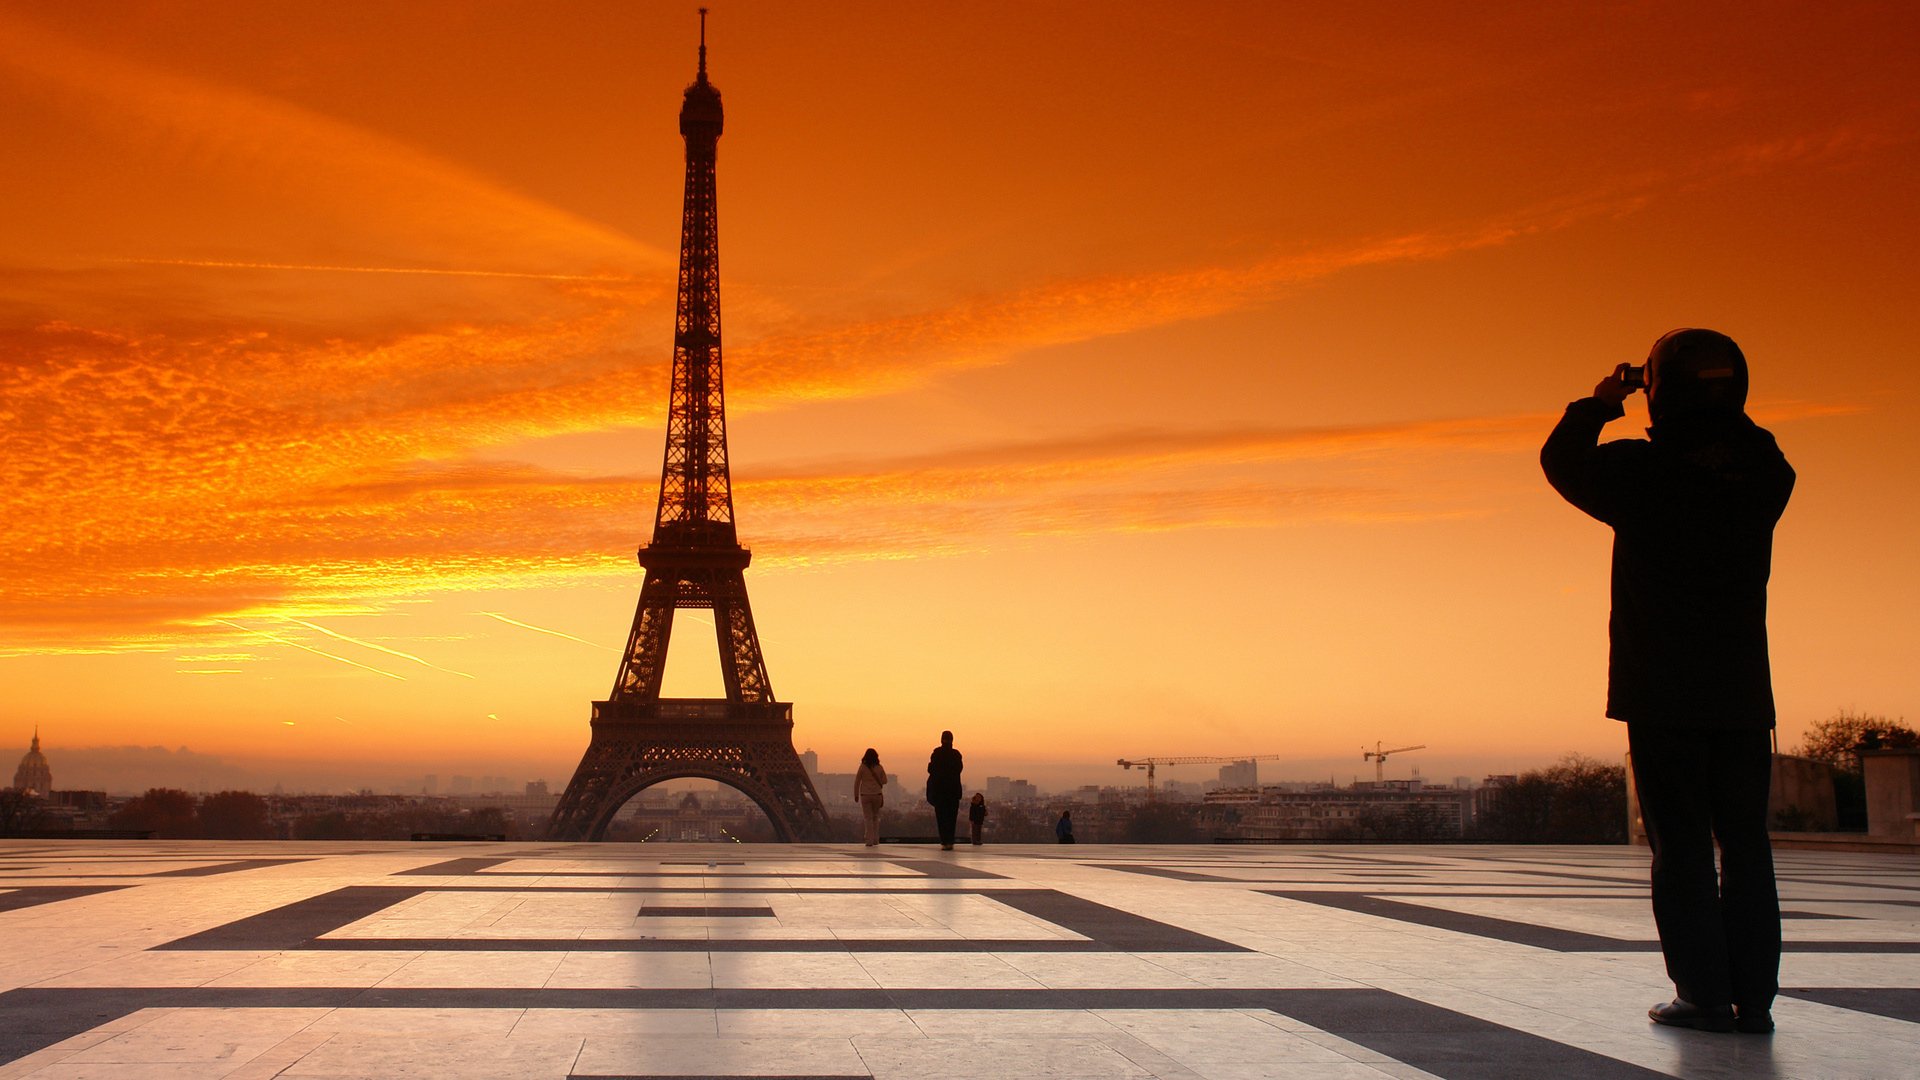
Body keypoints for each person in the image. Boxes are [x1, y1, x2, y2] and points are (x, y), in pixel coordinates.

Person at [1541, 328, 1794, 1035]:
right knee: (1745, 843)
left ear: (1661, 389)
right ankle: (1756, 998)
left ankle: (1704, 995)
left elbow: (1563, 463)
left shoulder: (1644, 473)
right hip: (1742, 690)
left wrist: (1600, 403)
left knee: (1681, 846)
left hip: (1662, 688)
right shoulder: (1763, 470)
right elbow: (1745, 443)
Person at [925, 730, 964, 850]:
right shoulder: (956, 754)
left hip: (940, 791)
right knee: (951, 818)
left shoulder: (937, 753)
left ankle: (944, 841)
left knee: (941, 817)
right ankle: (950, 841)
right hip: (952, 791)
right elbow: (959, 769)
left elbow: (931, 769)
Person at [854, 748, 887, 848]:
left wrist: (856, 795)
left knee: (868, 818)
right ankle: (876, 839)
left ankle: (869, 840)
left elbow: (857, 782)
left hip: (865, 795)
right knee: (875, 817)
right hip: (877, 794)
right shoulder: (879, 767)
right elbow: (885, 781)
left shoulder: (862, 767)